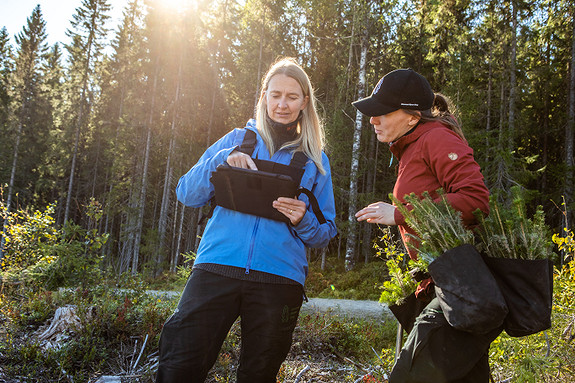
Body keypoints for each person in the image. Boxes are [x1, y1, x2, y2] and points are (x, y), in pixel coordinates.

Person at [156, 57, 337, 383]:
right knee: (178, 366)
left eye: (292, 97)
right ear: (264, 95)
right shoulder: (236, 140)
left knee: (258, 374)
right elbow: (186, 193)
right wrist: (221, 161)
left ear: (304, 102)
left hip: (279, 279)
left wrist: (302, 219)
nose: (282, 104)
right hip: (216, 268)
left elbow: (326, 233)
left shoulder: (315, 161)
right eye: (276, 94)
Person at [353, 68, 500, 382]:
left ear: (410, 116)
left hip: (459, 289)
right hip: (444, 286)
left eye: (381, 112)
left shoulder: (436, 138)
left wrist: (402, 214)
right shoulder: (412, 145)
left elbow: (476, 200)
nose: (372, 119)